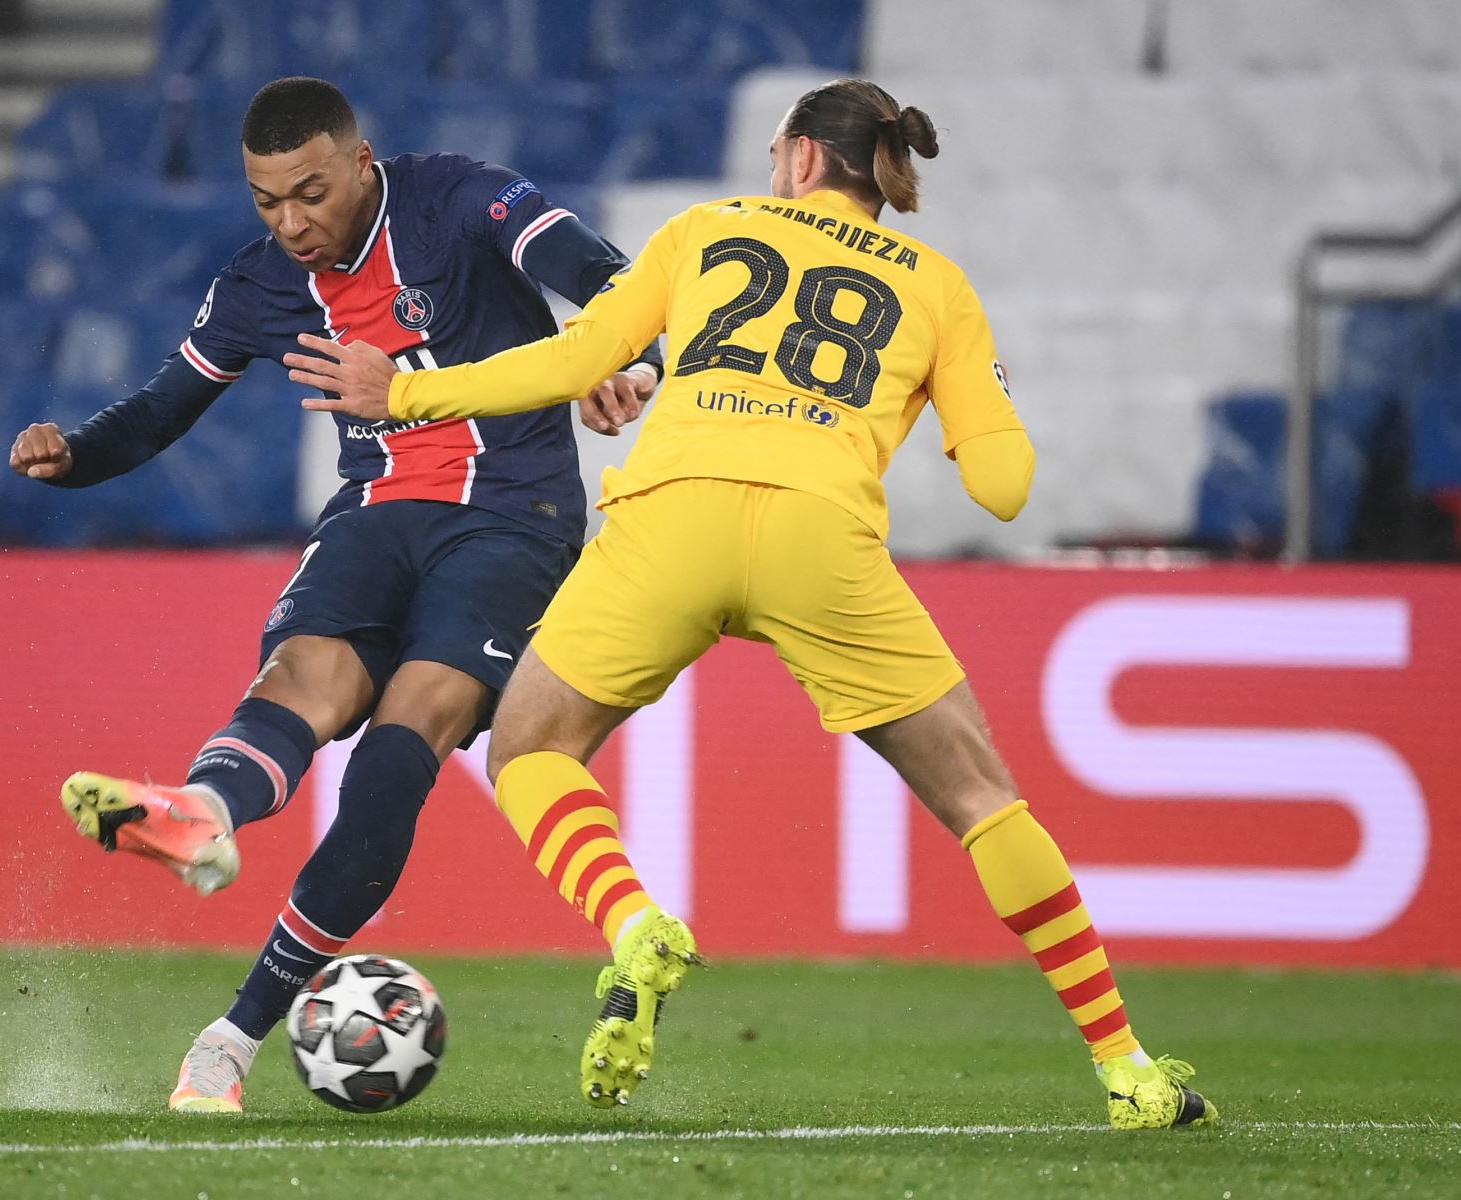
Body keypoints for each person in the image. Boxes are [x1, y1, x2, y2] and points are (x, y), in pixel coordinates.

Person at [298, 77, 1220, 1131]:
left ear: (799, 158)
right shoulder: (938, 286)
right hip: (817, 540)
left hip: (671, 518)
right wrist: (979, 399)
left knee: (529, 747)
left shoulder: (703, 231)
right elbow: (1002, 488)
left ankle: (634, 921)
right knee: (982, 801)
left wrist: (406, 393)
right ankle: (1127, 1069)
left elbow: (579, 358)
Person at [7, 76, 662, 1114]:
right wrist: (74, 454)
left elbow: (598, 270)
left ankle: (230, 1039)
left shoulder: (461, 200)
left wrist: (632, 352)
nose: (291, 222)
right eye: (267, 201)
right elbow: (161, 411)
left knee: (404, 747)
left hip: (511, 517)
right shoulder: (259, 285)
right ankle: (201, 812)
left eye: (310, 192)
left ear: (361, 163)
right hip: (374, 512)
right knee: (300, 676)